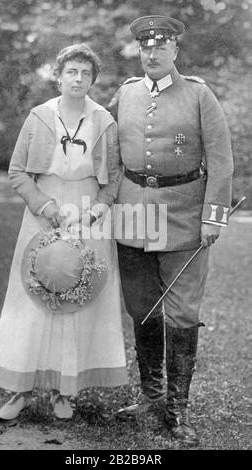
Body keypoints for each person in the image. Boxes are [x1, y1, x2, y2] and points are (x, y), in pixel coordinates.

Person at [108, 15, 234, 446]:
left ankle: (178, 410)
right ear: (140, 52)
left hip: (183, 217)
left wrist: (213, 217)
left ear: (175, 51)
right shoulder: (125, 94)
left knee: (182, 312)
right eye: (146, 48)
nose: (153, 53)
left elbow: (221, 160)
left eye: (161, 47)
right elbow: (105, 147)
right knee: (141, 306)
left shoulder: (199, 94)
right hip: (131, 216)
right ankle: (151, 396)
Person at [0, 43, 127, 421]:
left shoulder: (104, 121)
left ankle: (65, 392)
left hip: (87, 215)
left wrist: (99, 208)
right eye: (72, 72)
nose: (78, 79)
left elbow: (113, 177)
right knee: (35, 297)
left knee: (76, 295)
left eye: (85, 73)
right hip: (44, 211)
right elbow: (18, 170)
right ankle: (20, 388)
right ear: (59, 75)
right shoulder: (39, 117)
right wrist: (44, 205)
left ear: (93, 80)